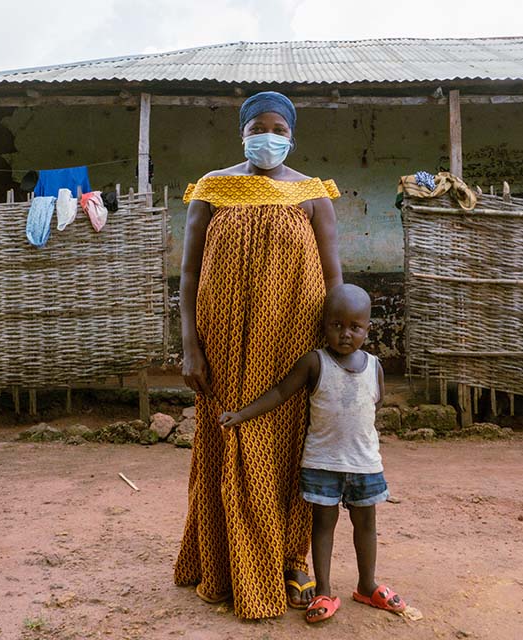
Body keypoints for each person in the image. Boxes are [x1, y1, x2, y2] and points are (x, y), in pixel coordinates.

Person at [174, 91, 343, 619]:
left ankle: (290, 557)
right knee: (228, 438)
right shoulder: (212, 188)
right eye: (256, 127)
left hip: (291, 343)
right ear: (242, 132)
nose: (267, 135)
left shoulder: (313, 194)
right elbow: (188, 275)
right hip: (222, 346)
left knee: (289, 446)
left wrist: (336, 352)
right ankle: (225, 561)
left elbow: (334, 276)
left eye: (278, 127)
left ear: (291, 135)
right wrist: (190, 346)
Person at [218, 284, 408, 624]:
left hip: (365, 463)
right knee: (323, 525)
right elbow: (280, 392)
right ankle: (323, 589)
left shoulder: (374, 366)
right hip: (322, 463)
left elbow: (374, 403)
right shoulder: (315, 362)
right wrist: (242, 414)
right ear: (323, 325)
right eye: (336, 325)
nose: (345, 333)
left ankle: (367, 585)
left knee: (366, 524)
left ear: (368, 328)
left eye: (355, 326)